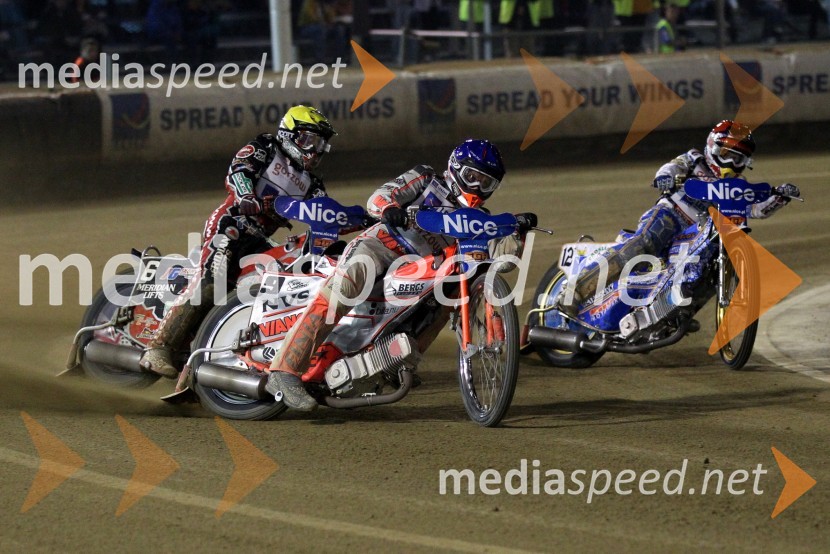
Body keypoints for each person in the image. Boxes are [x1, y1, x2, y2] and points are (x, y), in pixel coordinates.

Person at [265, 139, 538, 411]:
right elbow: (380, 196)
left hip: (418, 271)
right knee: (345, 287)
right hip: (381, 244)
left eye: (486, 183)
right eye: (472, 177)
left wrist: (516, 233)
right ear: (455, 169)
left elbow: (499, 262)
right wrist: (390, 209)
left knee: (449, 297)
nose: (477, 187)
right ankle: (284, 371)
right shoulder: (426, 178)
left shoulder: (479, 218)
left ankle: (398, 362)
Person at [140, 106, 339, 378]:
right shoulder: (266, 147)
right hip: (231, 223)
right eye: (309, 141)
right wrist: (246, 196)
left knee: (266, 289)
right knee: (214, 280)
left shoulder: (312, 184)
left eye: (321, 144)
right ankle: (158, 347)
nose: (315, 150)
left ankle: (212, 357)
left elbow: (324, 213)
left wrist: (354, 219)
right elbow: (239, 170)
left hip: (259, 241)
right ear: (289, 134)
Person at [558, 120, 801, 318]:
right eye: (726, 154)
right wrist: (666, 178)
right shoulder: (694, 160)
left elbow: (755, 210)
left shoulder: (739, 185)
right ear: (712, 148)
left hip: (703, 232)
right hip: (672, 214)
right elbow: (669, 168)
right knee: (645, 244)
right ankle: (574, 292)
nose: (730, 163)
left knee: (707, 271)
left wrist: (779, 198)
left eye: (738, 159)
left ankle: (678, 313)